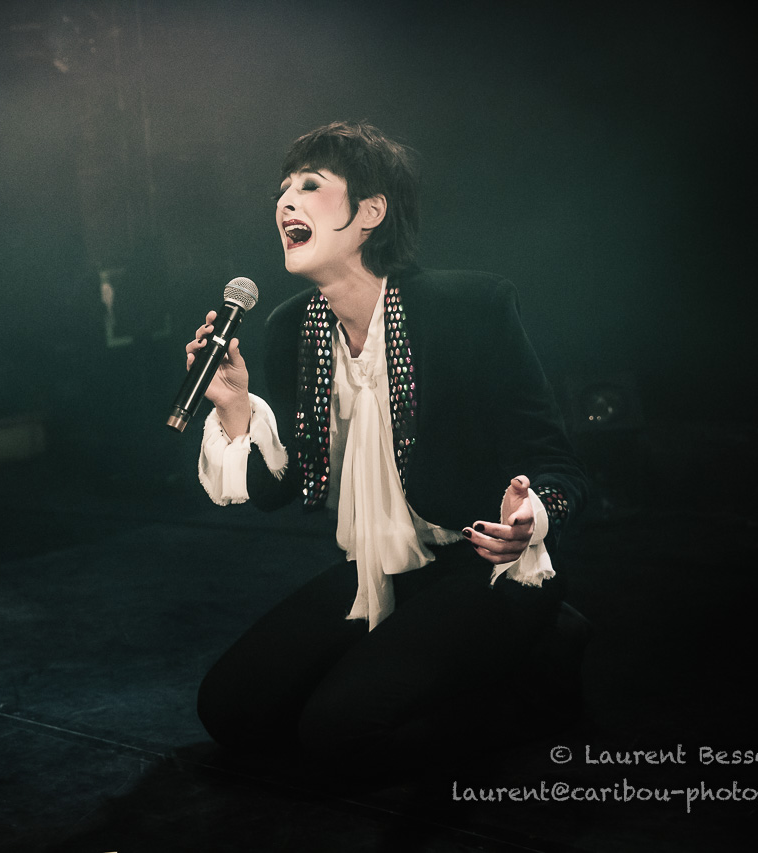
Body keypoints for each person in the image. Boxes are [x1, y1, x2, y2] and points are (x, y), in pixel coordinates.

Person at [186, 120, 588, 780]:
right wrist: (233, 407)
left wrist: (531, 518)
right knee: (231, 712)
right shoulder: (292, 328)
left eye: (309, 185)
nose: (285, 201)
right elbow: (283, 489)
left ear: (371, 212)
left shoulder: (469, 306)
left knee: (340, 734)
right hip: (380, 571)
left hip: (483, 568)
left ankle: (544, 662)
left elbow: (559, 464)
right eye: (282, 189)